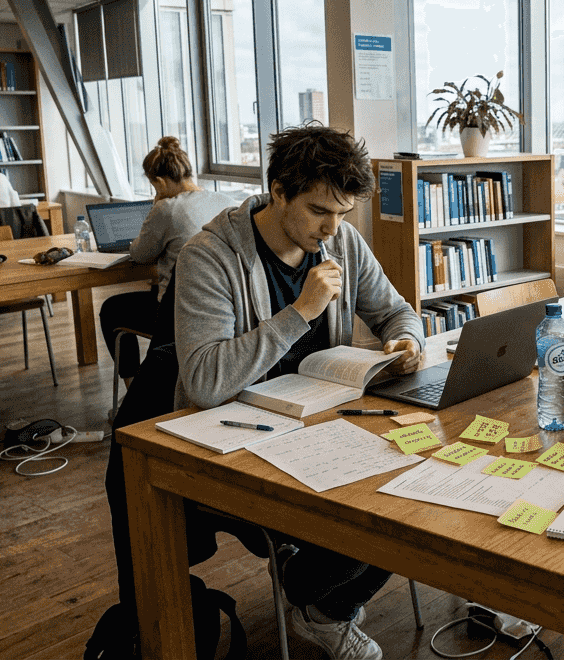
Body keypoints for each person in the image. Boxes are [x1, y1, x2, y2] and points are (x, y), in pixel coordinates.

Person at [175, 124, 424, 660]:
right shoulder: (209, 257)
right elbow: (203, 380)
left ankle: (321, 608)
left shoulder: (342, 242)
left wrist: (406, 337)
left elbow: (395, 310)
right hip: (239, 436)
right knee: (368, 521)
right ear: (279, 191)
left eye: (343, 214)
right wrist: (301, 313)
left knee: (412, 493)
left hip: (322, 422)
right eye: (319, 211)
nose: (333, 229)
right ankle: (307, 584)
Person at [98, 137, 233, 388]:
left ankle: (134, 390)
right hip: (224, 305)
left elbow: (139, 255)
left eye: (154, 186)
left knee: (112, 310)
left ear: (159, 182)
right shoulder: (226, 201)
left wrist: (157, 204)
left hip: (176, 313)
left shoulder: (167, 208)